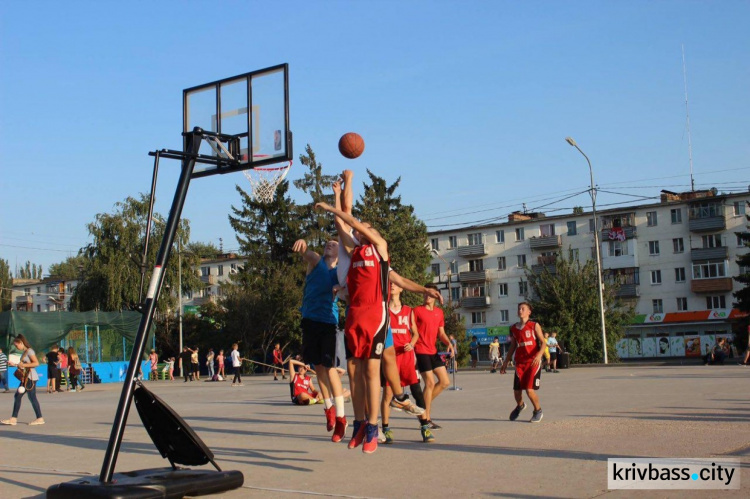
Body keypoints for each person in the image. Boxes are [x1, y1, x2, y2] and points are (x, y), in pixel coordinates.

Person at [316, 198, 393, 454]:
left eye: (364, 229)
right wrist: (337, 197)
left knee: (372, 370)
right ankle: (359, 422)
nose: (358, 231)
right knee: (353, 372)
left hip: (375, 315)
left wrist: (333, 208)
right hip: (355, 316)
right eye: (358, 230)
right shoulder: (354, 251)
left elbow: (348, 221)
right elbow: (343, 226)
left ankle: (373, 426)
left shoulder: (380, 248)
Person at [292, 237, 348, 443]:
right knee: (319, 369)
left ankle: (341, 418)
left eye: (334, 244)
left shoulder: (341, 273)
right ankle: (328, 409)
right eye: (327, 243)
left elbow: (350, 290)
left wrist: (342, 290)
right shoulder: (316, 262)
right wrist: (303, 244)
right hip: (309, 322)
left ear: (339, 252)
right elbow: (306, 252)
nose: (329, 245)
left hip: (329, 324)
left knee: (330, 368)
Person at [381, 281, 434, 444]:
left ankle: (425, 426)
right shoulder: (384, 310)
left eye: (395, 284)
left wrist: (412, 343)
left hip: (406, 357)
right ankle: (385, 428)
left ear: (402, 288)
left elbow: (415, 333)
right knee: (388, 394)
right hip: (390, 356)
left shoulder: (408, 310)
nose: (392, 286)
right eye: (390, 284)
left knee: (417, 392)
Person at [412, 284, 455, 430]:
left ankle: (421, 405)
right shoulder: (417, 311)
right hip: (420, 350)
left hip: (433, 350)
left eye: (430, 294)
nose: (427, 296)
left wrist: (449, 343)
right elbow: (410, 331)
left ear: (437, 296)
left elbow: (441, 333)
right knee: (429, 383)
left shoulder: (439, 312)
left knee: (444, 382)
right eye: (425, 293)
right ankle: (426, 418)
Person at [500, 302, 546, 423]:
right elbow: (513, 346)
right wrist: (505, 362)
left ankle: (538, 411)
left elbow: (544, 342)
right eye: (519, 308)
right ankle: (520, 405)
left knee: (529, 390)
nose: (520, 310)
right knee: (516, 392)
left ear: (529, 312)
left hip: (533, 362)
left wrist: (539, 354)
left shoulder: (534, 325)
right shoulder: (514, 328)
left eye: (523, 308)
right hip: (520, 362)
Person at [2, 334, 44, 425]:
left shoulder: (30, 351)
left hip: (30, 377)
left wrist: (23, 365)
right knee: (18, 396)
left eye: (16, 345)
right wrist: (15, 364)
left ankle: (39, 418)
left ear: (21, 342)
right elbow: (24, 364)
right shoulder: (25, 352)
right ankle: (13, 419)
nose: (16, 347)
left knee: (32, 397)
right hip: (25, 377)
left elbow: (36, 363)